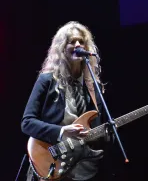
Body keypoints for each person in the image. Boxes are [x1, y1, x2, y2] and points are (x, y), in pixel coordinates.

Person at [21, 21, 107, 181]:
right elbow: (27, 122)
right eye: (72, 41)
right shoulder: (47, 80)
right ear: (61, 48)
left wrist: (109, 132)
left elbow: (99, 130)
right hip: (51, 163)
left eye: (81, 41)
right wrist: (62, 132)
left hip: (84, 170)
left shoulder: (92, 86)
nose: (77, 44)